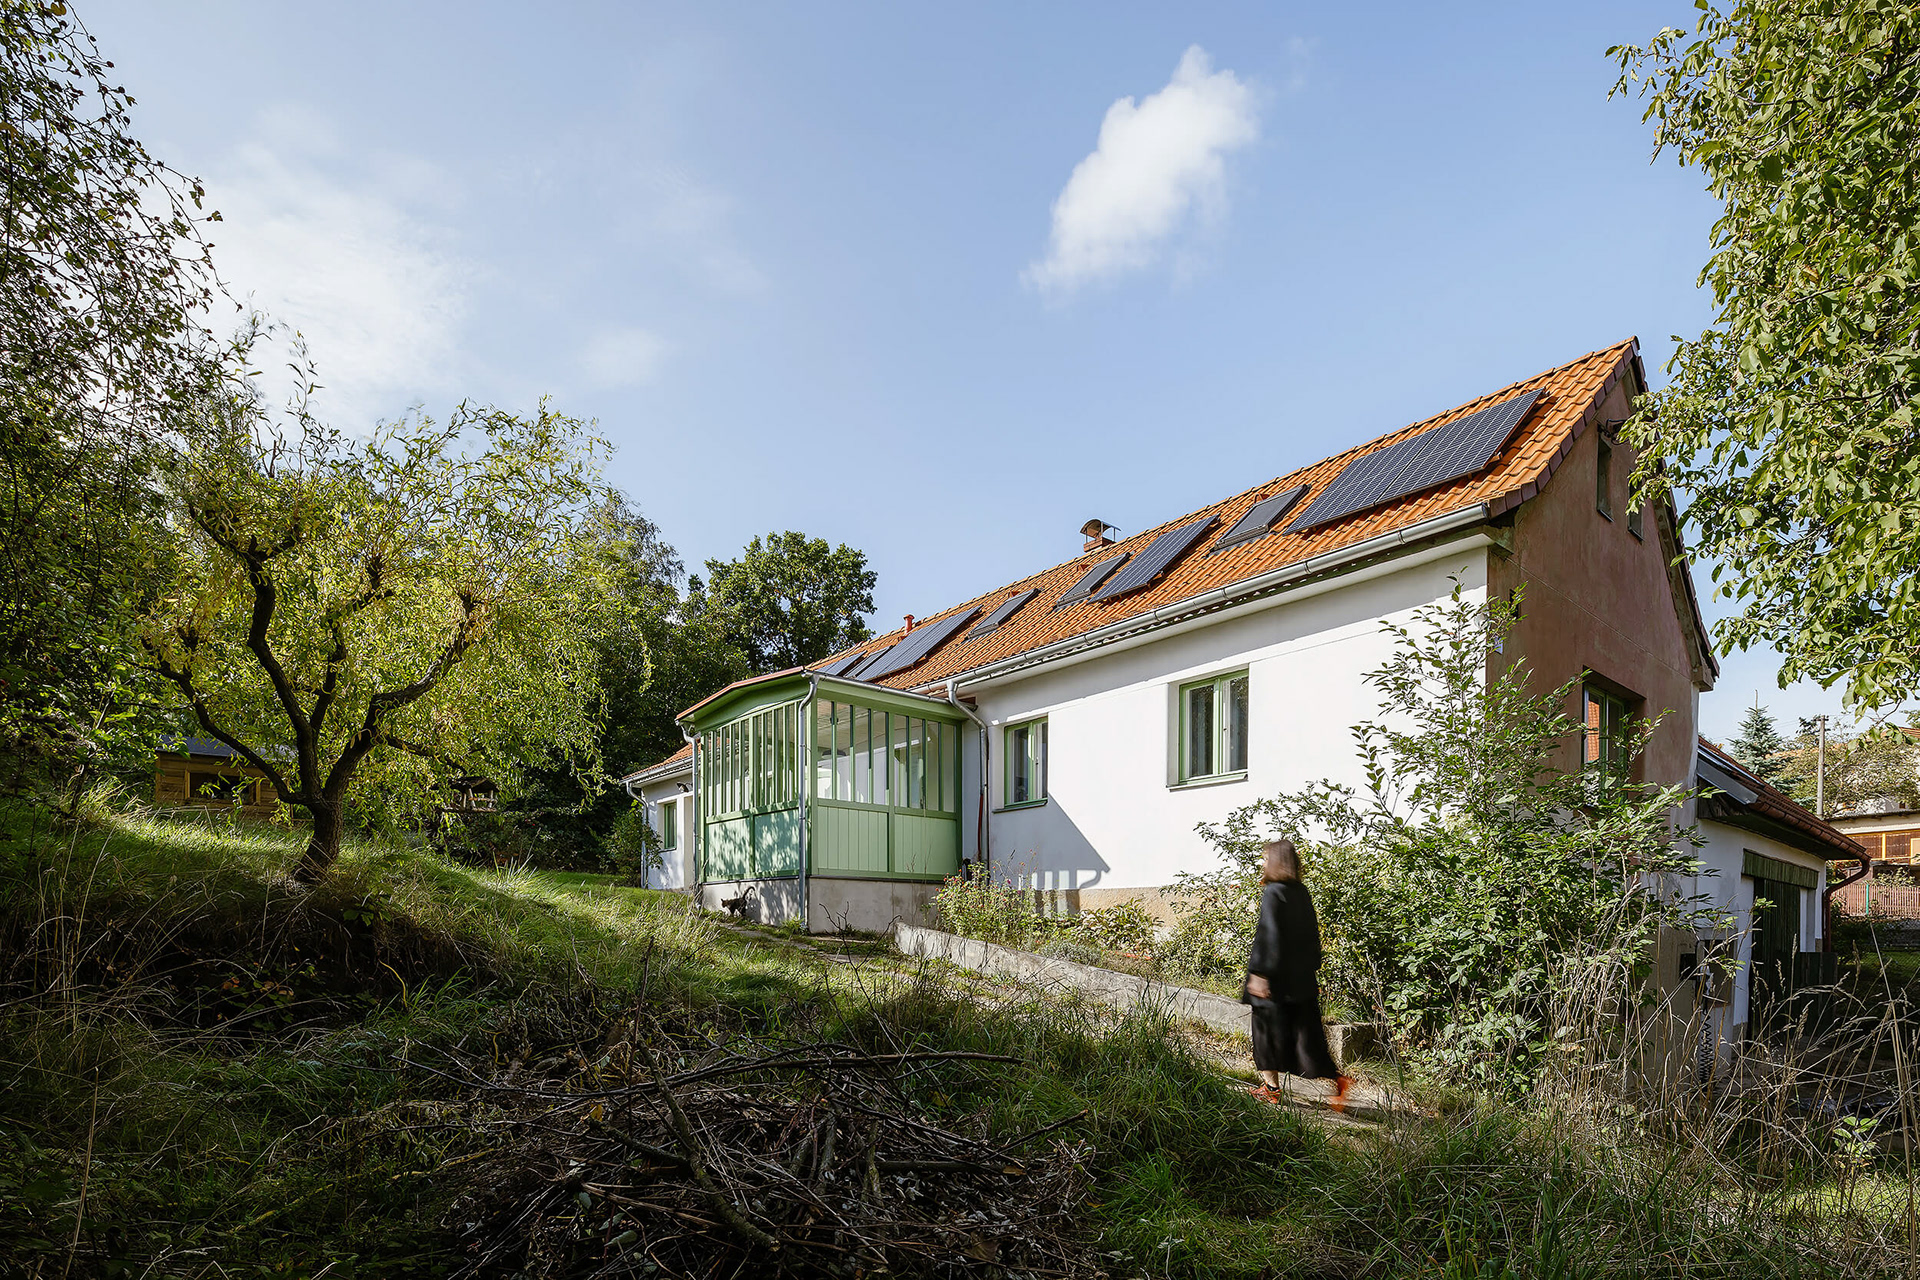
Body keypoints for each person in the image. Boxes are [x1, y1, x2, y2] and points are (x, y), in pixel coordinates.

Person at [1242, 838, 1354, 1111]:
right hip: (1301, 979)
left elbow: (1268, 935)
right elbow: (1313, 935)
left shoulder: (1273, 892)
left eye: (1266, 859)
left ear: (1275, 862)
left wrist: (1259, 973)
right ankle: (1338, 1080)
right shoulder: (1301, 892)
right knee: (1307, 1037)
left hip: (1274, 980)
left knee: (1264, 1032)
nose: (1263, 863)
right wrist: (1311, 969)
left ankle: (1271, 1089)